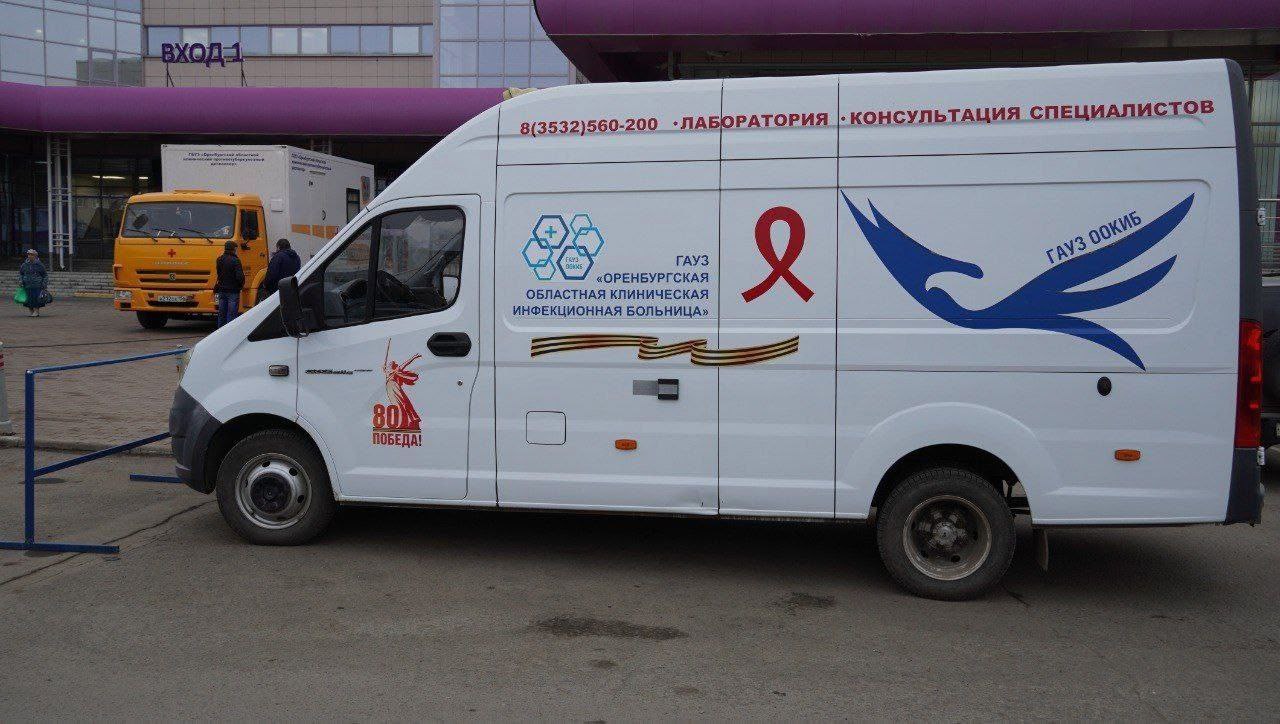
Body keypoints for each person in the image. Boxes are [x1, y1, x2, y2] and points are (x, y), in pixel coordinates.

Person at [214, 241, 244, 328]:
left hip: (222, 290)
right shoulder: (236, 260)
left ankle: (221, 331)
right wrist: (240, 286)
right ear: (234, 249)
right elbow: (239, 276)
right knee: (232, 314)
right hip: (233, 291)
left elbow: (219, 273)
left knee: (221, 313)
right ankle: (230, 330)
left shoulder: (219, 259)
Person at [18, 249, 48, 318]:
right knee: (28, 300)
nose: (30, 256)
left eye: (31, 255)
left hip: (37, 285)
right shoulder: (24, 265)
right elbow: (21, 274)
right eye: (29, 254)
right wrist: (21, 281)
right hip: (27, 284)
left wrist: (44, 284)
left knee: (36, 299)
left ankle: (36, 312)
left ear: (35, 256)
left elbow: (45, 275)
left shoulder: (39, 265)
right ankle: (31, 312)